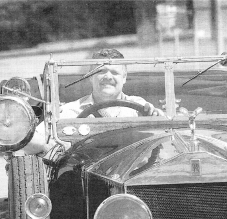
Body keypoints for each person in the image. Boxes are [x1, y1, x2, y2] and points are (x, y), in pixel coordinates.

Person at [22, 48, 164, 155]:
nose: (108, 76)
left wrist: (156, 118)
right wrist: (47, 147)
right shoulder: (71, 111)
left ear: (124, 78)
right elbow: (28, 138)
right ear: (90, 76)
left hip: (134, 178)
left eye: (114, 72)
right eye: (101, 71)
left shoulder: (139, 108)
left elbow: (167, 136)